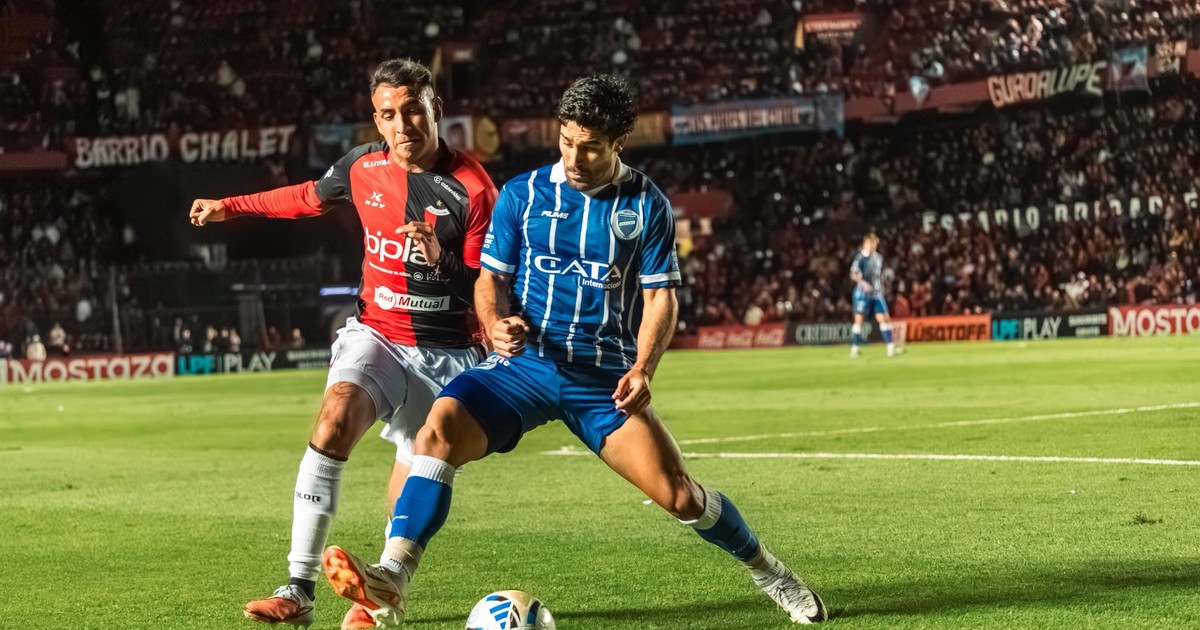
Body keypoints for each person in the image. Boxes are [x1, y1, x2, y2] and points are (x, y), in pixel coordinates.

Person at [320, 74, 827, 627]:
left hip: (601, 378)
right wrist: (493, 323)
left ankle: (769, 570)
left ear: (618, 143)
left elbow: (660, 297)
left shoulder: (646, 205)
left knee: (680, 495)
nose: (575, 158)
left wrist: (644, 367)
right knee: (436, 431)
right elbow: (490, 280)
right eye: (566, 141)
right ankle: (392, 575)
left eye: (590, 147)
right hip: (522, 366)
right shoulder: (524, 194)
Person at [188, 58, 497, 630]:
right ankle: (297, 587)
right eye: (388, 114)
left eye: (412, 110)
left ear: (435, 109)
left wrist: (440, 259)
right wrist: (231, 207)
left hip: (448, 353)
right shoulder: (362, 166)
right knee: (333, 420)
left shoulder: (473, 189)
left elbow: (485, 288)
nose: (402, 124)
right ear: (376, 120)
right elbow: (305, 197)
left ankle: (380, 592)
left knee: (415, 477)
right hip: (377, 334)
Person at [849, 233, 896, 357]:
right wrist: (862, 282)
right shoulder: (860, 258)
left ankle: (890, 348)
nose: (873, 245)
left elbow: (877, 275)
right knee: (859, 319)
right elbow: (853, 273)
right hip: (863, 293)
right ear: (865, 244)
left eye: (875, 243)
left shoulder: (878, 257)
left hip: (876, 293)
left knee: (884, 318)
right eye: (871, 243)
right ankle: (854, 348)